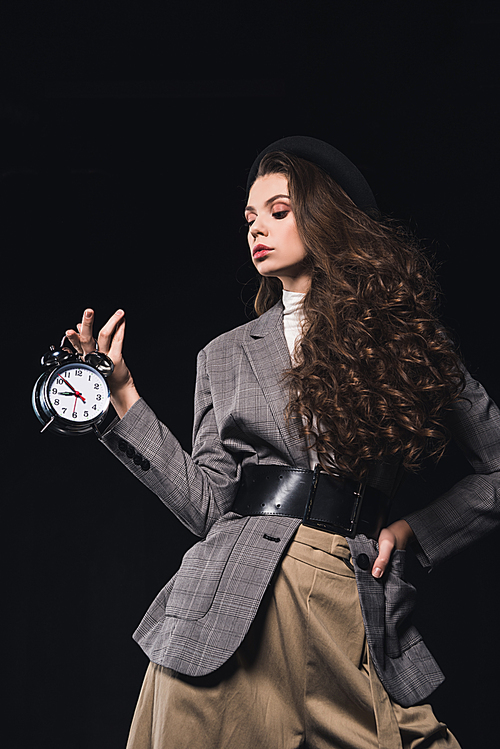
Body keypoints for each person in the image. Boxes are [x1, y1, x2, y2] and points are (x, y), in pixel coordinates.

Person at [66, 136, 500, 749]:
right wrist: (124, 398)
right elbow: (210, 508)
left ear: (326, 217)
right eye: (249, 218)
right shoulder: (223, 355)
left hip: (350, 599)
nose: (257, 230)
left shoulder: (403, 337)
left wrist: (414, 533)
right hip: (226, 606)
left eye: (279, 211)